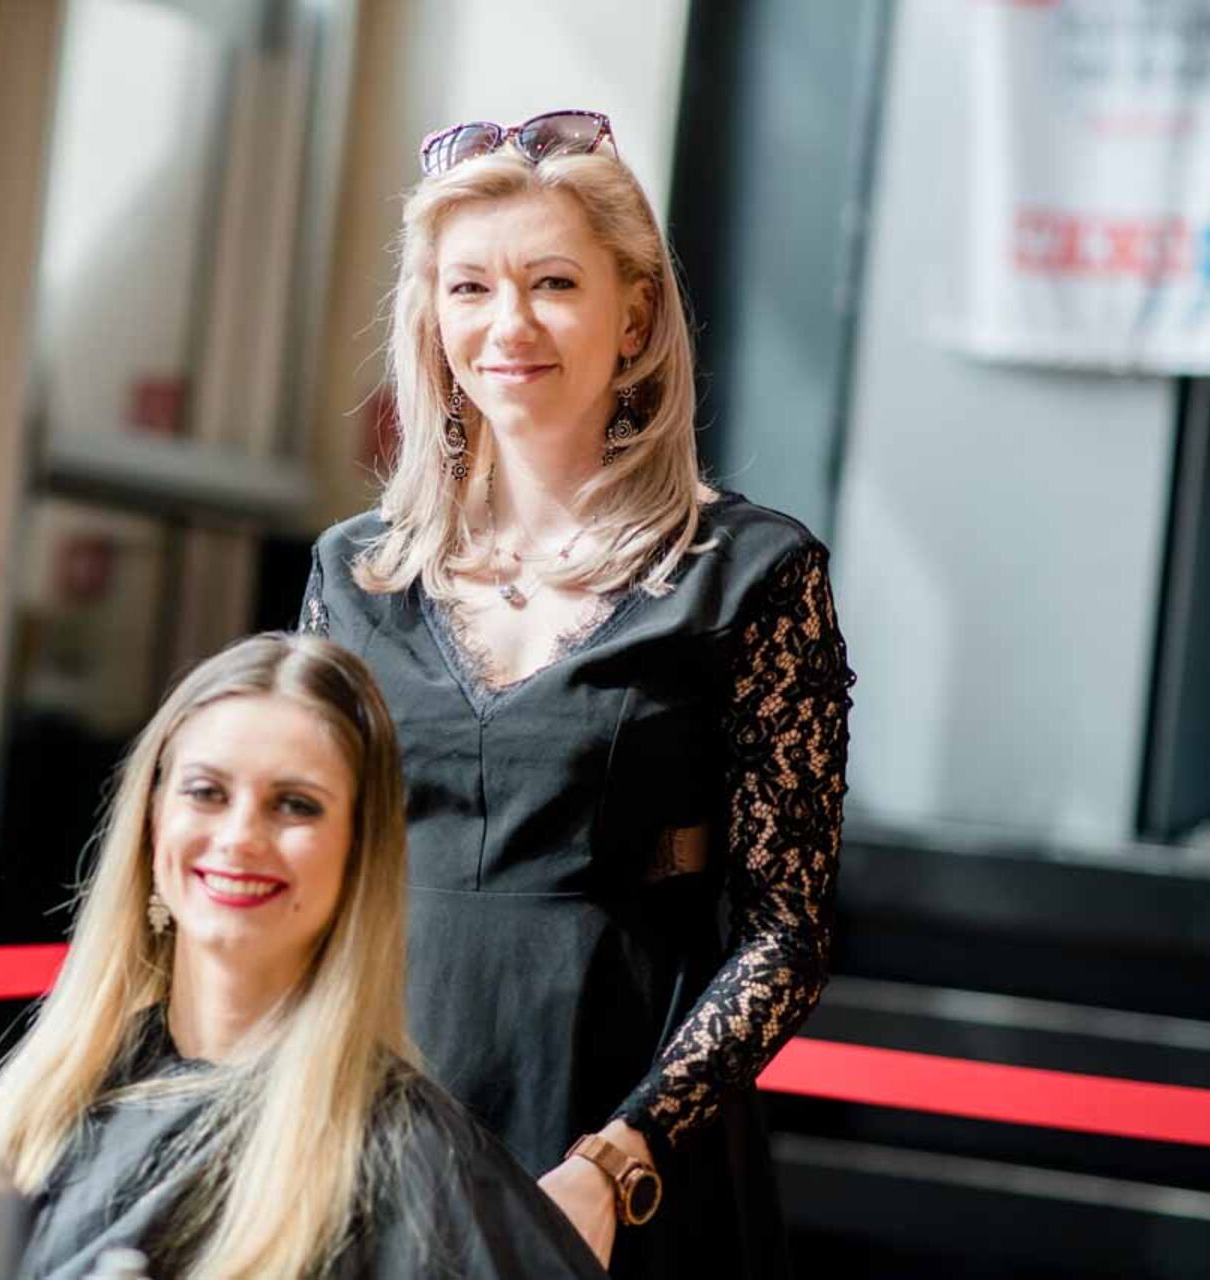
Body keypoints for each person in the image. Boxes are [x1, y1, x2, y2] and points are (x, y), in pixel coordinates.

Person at [299, 110, 855, 1277]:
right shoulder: (354, 571)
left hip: (625, 1153)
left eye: (552, 283)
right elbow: (305, 865)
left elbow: (785, 937)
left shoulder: (754, 574)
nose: (507, 325)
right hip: (374, 1122)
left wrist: (618, 1160)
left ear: (634, 316)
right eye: (470, 287)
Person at [0, 632, 606, 1279]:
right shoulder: (36, 1105)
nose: (241, 837)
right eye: (207, 792)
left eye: (295, 805)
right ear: (152, 823)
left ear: (358, 854)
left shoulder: (411, 1164)